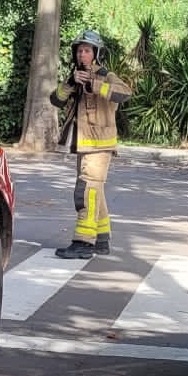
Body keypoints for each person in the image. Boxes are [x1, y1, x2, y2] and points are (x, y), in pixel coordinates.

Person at [52, 31, 130, 259]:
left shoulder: (106, 75)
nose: (82, 54)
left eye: (87, 50)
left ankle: (83, 242)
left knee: (85, 192)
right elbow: (55, 100)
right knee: (95, 191)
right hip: (84, 144)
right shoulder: (74, 76)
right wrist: (70, 82)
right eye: (79, 50)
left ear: (96, 53)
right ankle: (102, 239)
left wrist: (96, 85)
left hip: (99, 145)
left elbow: (125, 94)